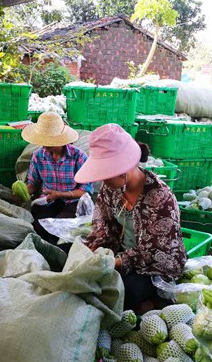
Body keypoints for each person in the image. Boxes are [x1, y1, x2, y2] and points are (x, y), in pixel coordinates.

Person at [74, 124, 186, 312]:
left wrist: (114, 263)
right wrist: (92, 247)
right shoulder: (110, 188)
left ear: (123, 170)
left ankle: (152, 302)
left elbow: (154, 254)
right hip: (119, 254)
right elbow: (102, 224)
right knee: (73, 261)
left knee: (124, 291)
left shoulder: (160, 198)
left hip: (153, 266)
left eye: (106, 174)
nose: (103, 180)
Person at [21, 112, 93, 244]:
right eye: (43, 141)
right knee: (38, 228)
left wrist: (60, 194)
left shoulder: (79, 157)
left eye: (49, 142)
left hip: (72, 202)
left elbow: (85, 190)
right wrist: (23, 191)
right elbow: (33, 183)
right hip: (47, 201)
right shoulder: (38, 156)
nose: (44, 146)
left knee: (60, 232)